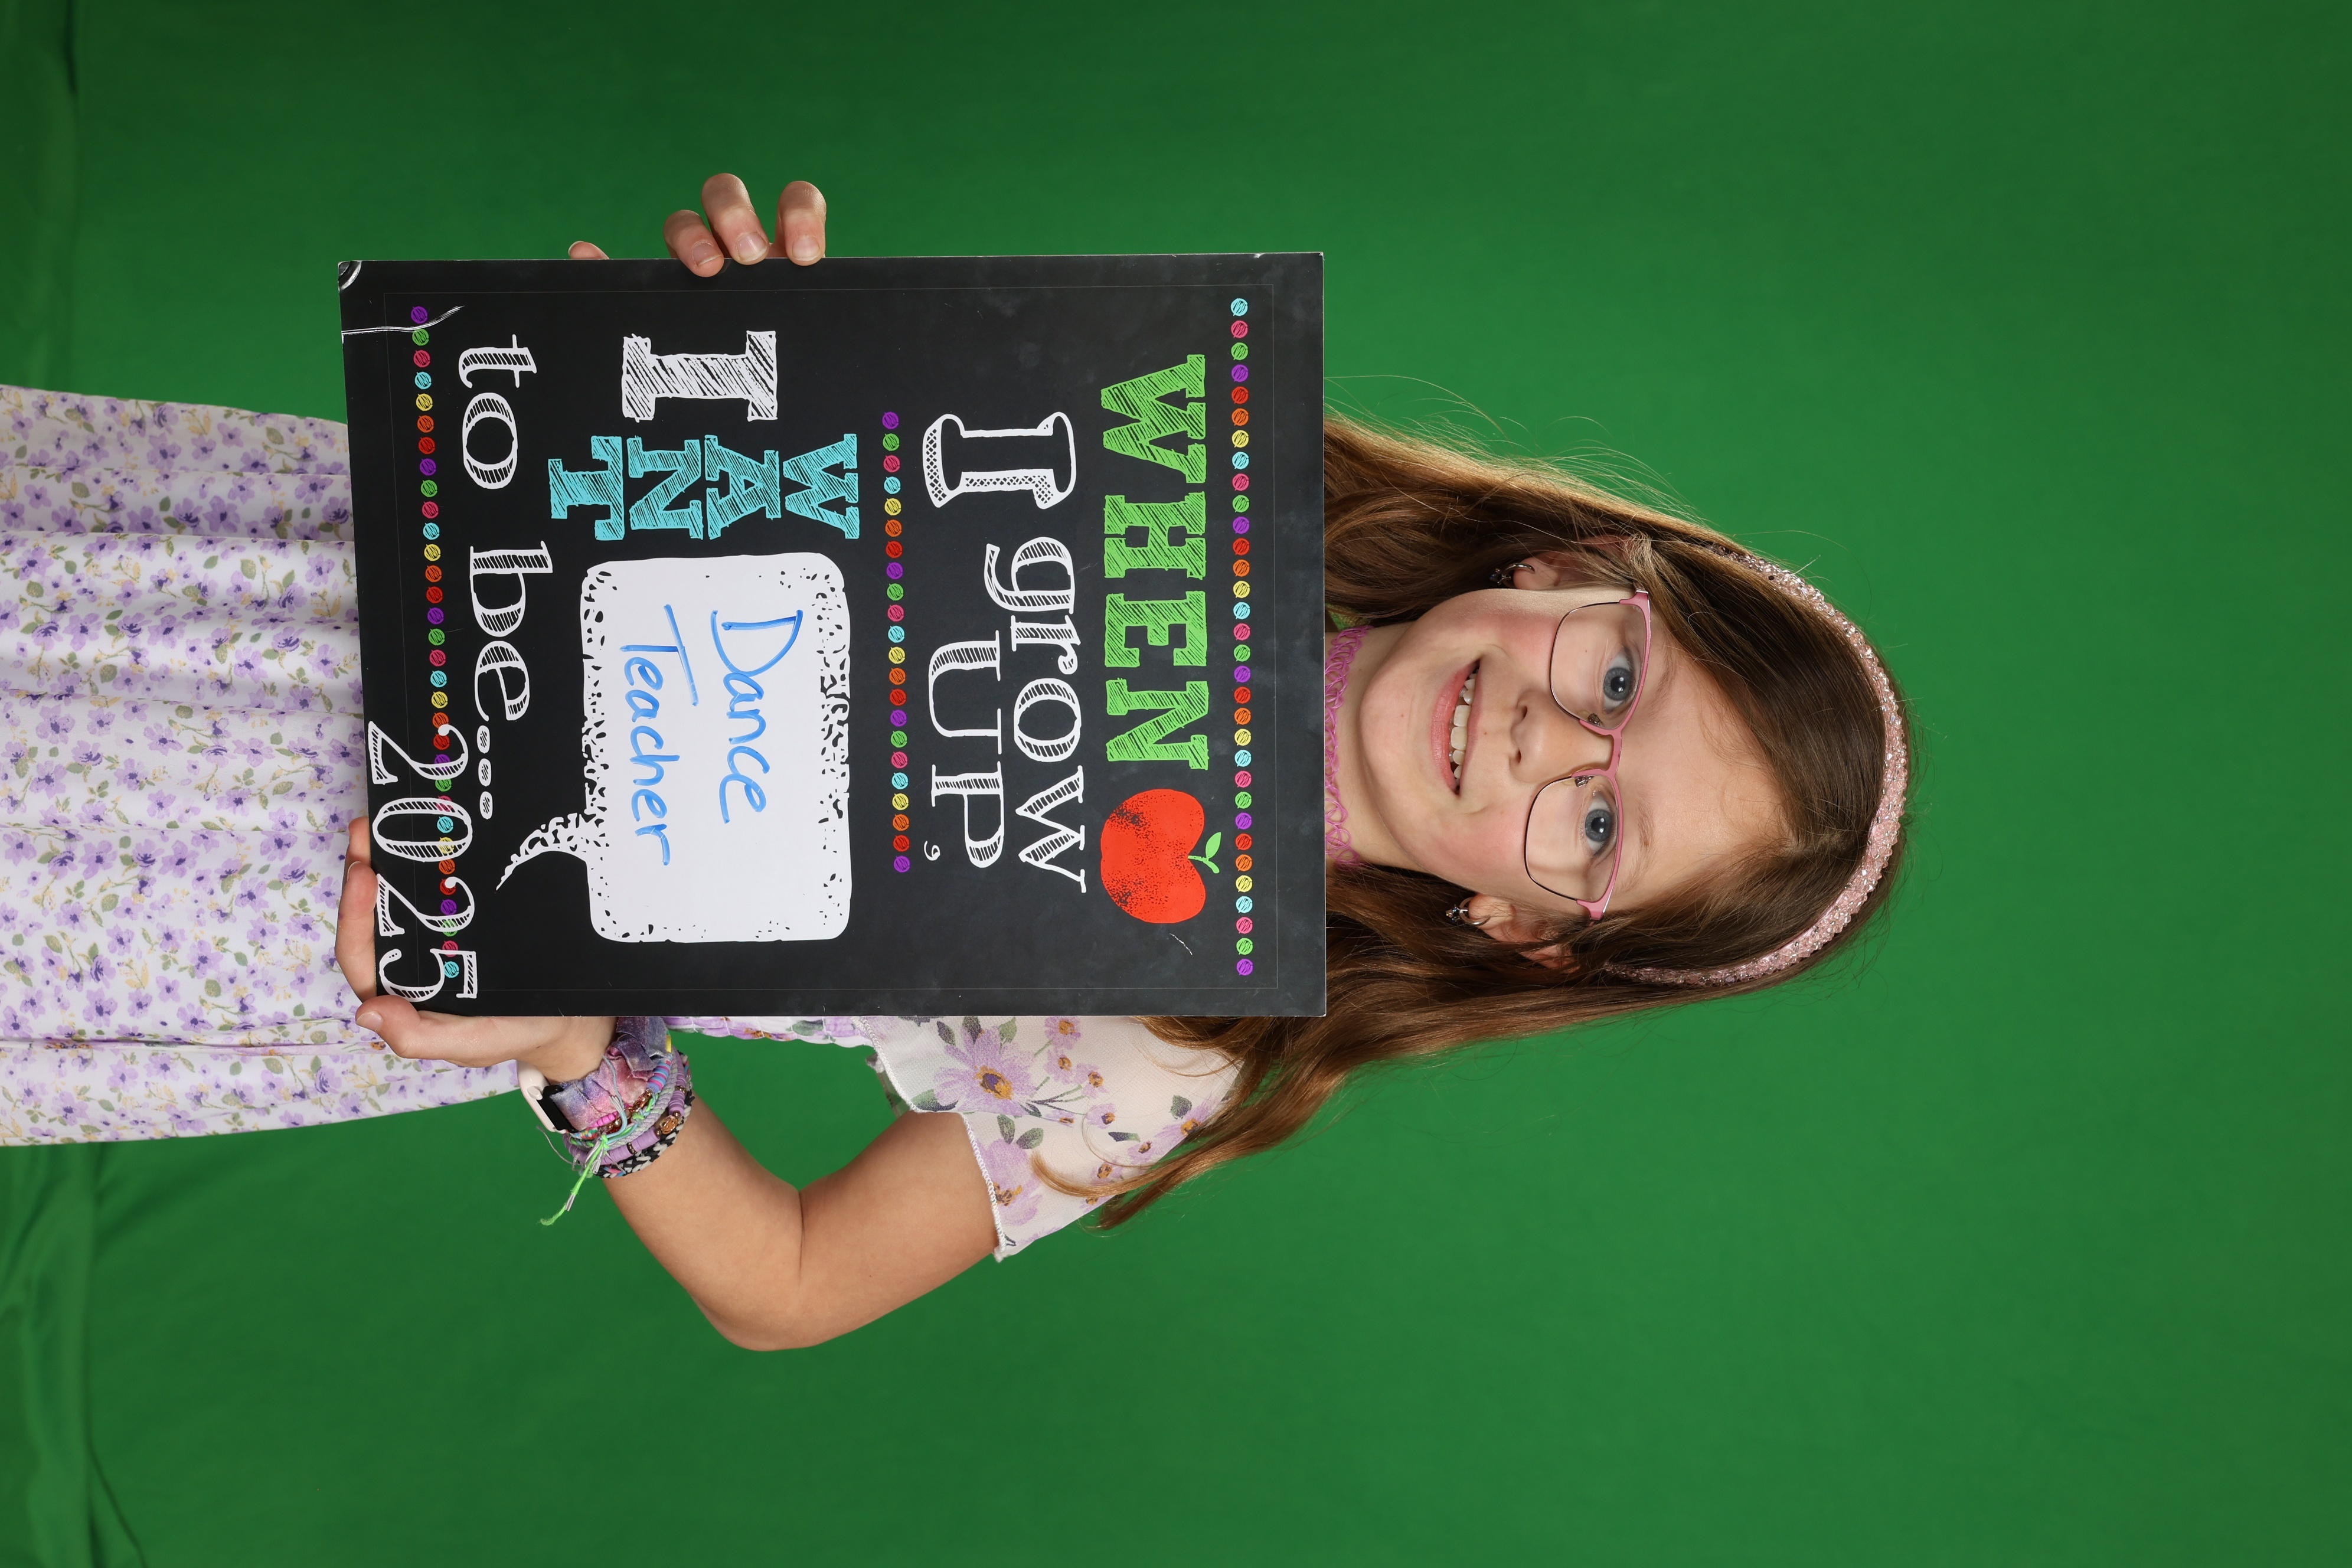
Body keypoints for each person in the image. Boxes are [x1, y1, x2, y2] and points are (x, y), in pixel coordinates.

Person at [0, 174, 1909, 1346]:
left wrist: (588, 1055)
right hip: (268, 571)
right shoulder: (1172, 424)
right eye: (1618, 675)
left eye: (1598, 821)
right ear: (1572, 571)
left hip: (276, 890)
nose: (1552, 739)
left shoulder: (1178, 1033)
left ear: (1530, 926)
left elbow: (794, 1283)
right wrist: (709, 362)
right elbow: (712, 485)